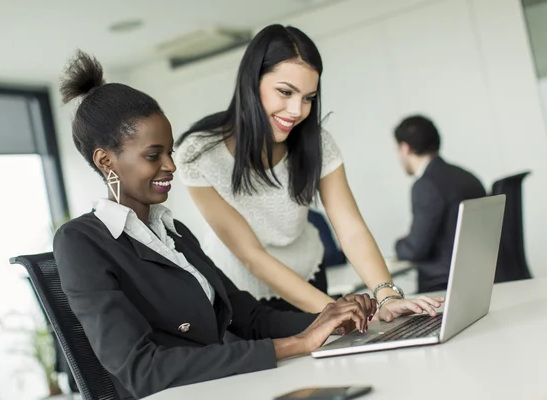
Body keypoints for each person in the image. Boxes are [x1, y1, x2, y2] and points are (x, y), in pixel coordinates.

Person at [53, 50, 379, 399]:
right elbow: (143, 370)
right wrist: (296, 344)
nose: (170, 167)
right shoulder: (80, 242)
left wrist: (331, 316)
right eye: (153, 155)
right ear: (106, 161)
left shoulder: (175, 235)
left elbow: (250, 318)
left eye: (170, 153)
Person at [175, 24, 443, 317]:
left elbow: (350, 228)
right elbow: (252, 256)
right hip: (242, 296)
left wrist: (387, 296)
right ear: (251, 82)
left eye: (308, 98)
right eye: (285, 92)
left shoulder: (317, 142)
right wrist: (333, 312)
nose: (296, 110)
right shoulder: (199, 153)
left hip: (308, 277)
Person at [393, 115, 487, 292]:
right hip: (482, 278)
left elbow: (415, 250)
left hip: (445, 287)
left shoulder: (425, 185)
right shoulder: (468, 177)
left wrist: (399, 244)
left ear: (405, 148)